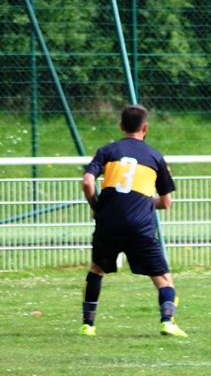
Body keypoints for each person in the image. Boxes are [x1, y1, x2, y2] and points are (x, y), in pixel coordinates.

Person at [79, 105, 187, 337]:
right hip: (140, 227)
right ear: (145, 127)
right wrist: (142, 202)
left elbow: (87, 182)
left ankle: (88, 325)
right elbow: (166, 202)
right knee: (163, 279)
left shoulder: (107, 151)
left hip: (108, 224)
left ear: (121, 126)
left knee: (97, 269)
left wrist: (97, 207)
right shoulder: (155, 157)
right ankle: (167, 322)